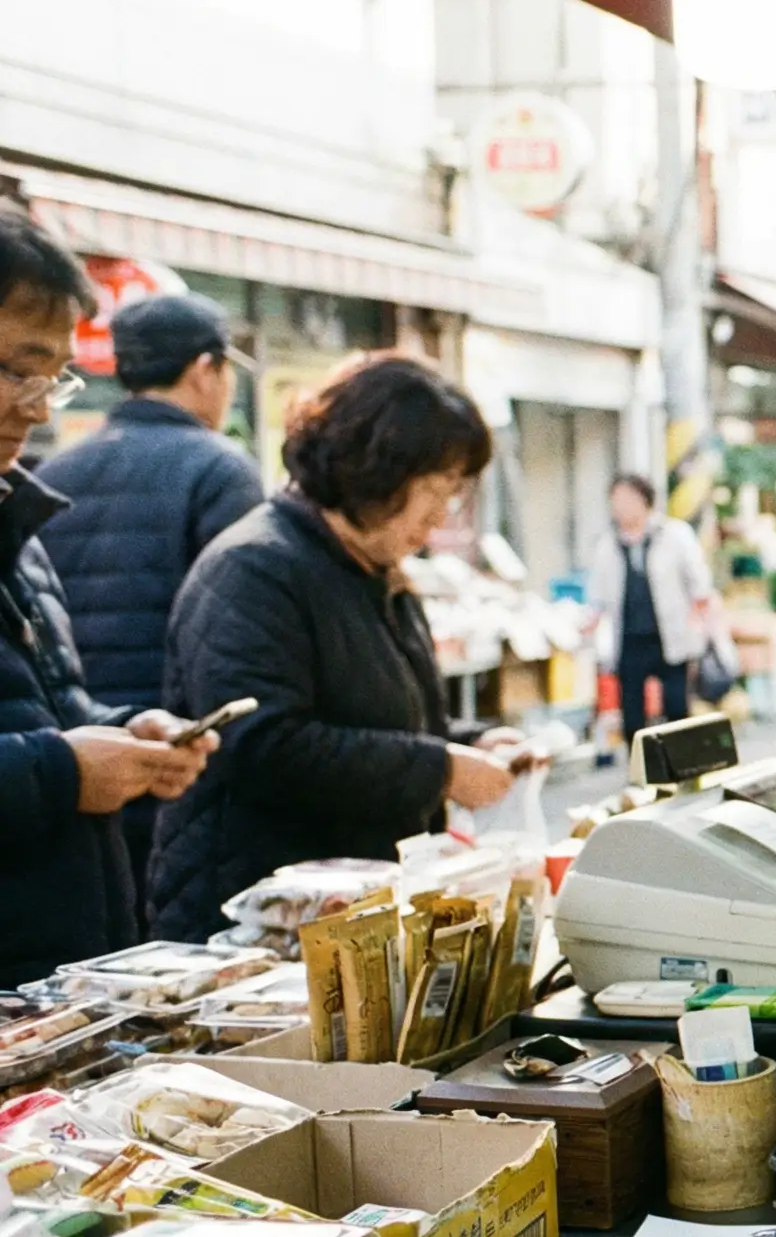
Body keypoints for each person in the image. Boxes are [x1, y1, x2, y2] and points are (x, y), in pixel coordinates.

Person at [147, 355, 523, 942]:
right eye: (434, 489)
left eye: (454, 491)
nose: (442, 514)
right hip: (260, 923)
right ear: (375, 472)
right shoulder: (255, 567)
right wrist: (440, 768)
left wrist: (470, 743)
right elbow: (264, 746)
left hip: (355, 915)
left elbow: (386, 716)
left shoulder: (376, 570)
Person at [0, 211, 214, 965]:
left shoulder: (16, 516)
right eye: (12, 370)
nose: (32, 406)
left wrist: (124, 732)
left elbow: (41, 709)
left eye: (50, 378)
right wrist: (63, 771)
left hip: (54, 990)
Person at [35, 292, 265, 908]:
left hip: (75, 758)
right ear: (203, 368)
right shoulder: (221, 470)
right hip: (172, 754)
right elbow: (239, 625)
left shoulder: (54, 472)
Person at [586, 473, 717, 741]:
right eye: (616, 500)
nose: (622, 507)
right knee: (632, 714)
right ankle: (640, 771)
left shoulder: (674, 535)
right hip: (629, 639)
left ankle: (681, 768)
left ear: (646, 501)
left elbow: (698, 582)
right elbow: (597, 594)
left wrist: (701, 620)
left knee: (677, 708)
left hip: (670, 634)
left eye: (628, 499)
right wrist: (590, 626)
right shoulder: (608, 544)